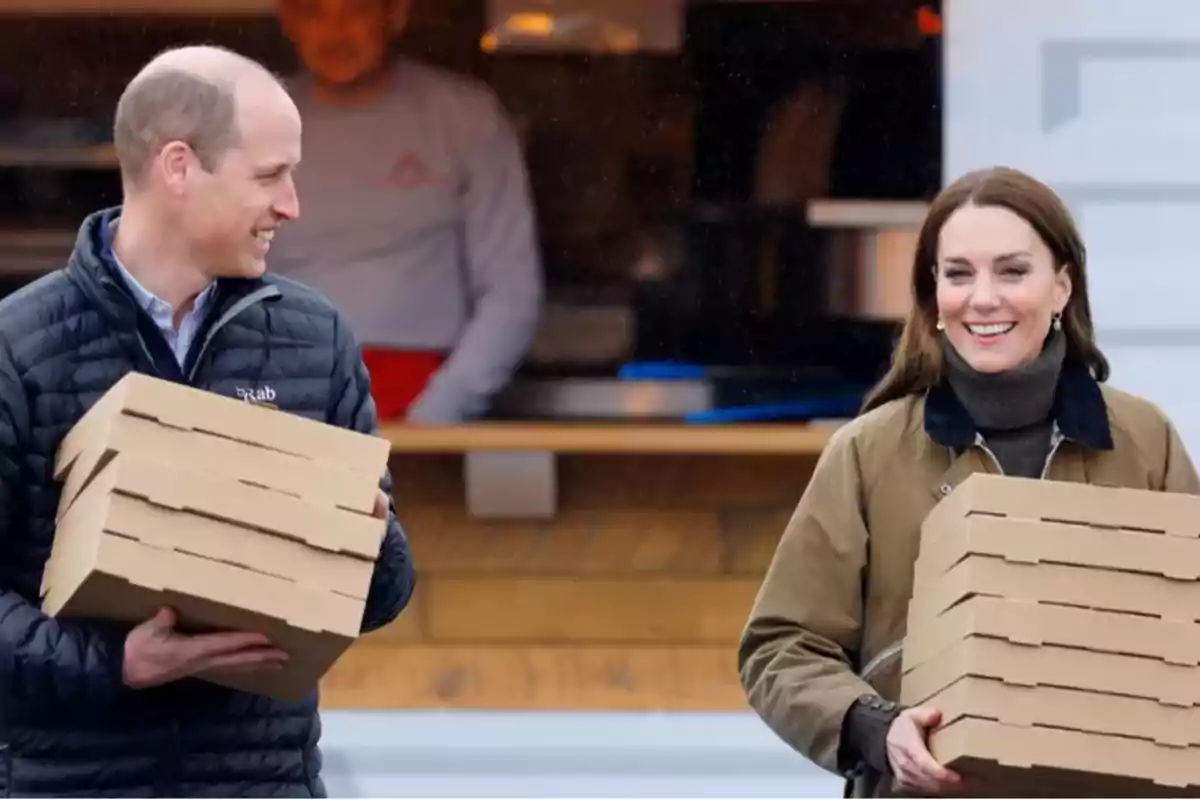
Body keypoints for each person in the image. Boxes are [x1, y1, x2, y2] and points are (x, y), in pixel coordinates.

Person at [0, 44, 415, 797]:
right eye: (269, 176)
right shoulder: (18, 348)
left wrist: (369, 537)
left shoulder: (314, 340)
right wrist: (117, 663)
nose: (291, 205)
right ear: (179, 167)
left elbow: (383, 597)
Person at [737, 166, 1200, 797]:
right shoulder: (867, 454)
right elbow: (781, 647)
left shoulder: (1146, 441)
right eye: (959, 273)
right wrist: (877, 727)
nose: (983, 297)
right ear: (933, 294)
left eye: (1013, 271)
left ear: (1062, 286)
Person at [268, 0, 543, 424]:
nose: (335, 32)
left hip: (424, 397)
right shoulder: (252, 126)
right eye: (313, 12)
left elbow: (512, 290)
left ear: (395, 14)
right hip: (281, 405)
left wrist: (435, 415)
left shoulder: (465, 117)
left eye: (355, 11)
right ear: (286, 20)